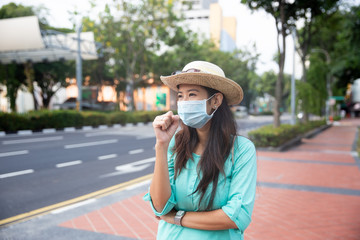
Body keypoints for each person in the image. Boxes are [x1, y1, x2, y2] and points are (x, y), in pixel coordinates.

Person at [143, 61, 257, 240]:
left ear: (216, 101)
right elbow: (160, 207)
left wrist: (177, 217)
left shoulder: (241, 150)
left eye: (192, 94)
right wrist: (161, 146)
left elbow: (237, 216)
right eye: (180, 96)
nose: (184, 102)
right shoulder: (175, 144)